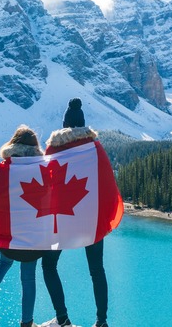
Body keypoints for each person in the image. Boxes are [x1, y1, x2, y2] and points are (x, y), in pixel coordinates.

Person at [41, 98, 116, 327]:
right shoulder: (94, 147)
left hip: (62, 217)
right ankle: (101, 322)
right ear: (83, 124)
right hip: (90, 217)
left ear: (64, 125)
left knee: (48, 265)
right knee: (96, 269)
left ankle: (63, 319)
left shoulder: (54, 147)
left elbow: (45, 181)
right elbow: (107, 181)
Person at [0, 125, 46, 327]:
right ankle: (26, 323)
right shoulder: (42, 168)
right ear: (35, 147)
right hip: (33, 238)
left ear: (13, 144)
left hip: (10, 237)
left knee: (3, 264)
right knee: (28, 279)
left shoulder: (6, 167)